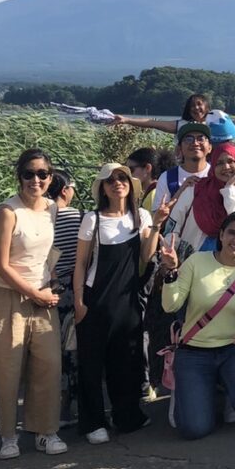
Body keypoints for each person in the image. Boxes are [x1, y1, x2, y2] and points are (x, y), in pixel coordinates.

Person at [156, 211, 235, 439]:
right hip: (194, 352)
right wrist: (170, 272)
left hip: (234, 349)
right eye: (231, 232)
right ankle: (195, 394)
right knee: (194, 429)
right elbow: (171, 306)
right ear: (221, 234)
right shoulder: (197, 261)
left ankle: (227, 388)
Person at [72, 163, 167, 444]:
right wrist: (78, 301)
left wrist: (158, 223)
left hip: (127, 300)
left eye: (122, 178)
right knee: (91, 364)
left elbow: (147, 256)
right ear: (102, 187)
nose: (117, 184)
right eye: (110, 180)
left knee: (125, 362)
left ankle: (126, 416)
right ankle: (93, 423)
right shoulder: (93, 219)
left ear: (130, 184)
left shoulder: (142, 217)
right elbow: (80, 264)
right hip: (95, 300)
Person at [0, 149, 65, 459]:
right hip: (6, 296)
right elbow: (0, 264)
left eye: (42, 174)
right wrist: (34, 293)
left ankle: (46, 432)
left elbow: (48, 251)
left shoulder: (52, 209)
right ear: (19, 176)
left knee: (48, 366)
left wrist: (53, 279)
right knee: (7, 368)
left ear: (50, 177)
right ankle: (8, 436)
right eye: (29, 173)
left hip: (43, 295)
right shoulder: (8, 211)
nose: (36, 179)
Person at [165, 142, 235, 255]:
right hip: (189, 263)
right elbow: (174, 224)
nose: (226, 167)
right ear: (213, 166)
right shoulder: (196, 188)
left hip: (228, 268)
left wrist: (229, 188)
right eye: (219, 163)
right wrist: (172, 252)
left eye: (231, 161)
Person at [47, 171, 82, 425]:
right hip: (71, 290)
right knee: (71, 349)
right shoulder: (76, 216)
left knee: (49, 350)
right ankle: (67, 407)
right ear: (64, 191)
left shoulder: (40, 217)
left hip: (44, 289)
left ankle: (44, 408)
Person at [112, 92, 235, 133]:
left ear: (207, 106)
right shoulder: (182, 125)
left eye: (199, 104)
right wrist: (126, 119)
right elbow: (152, 123)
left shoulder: (218, 122)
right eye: (192, 106)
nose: (196, 108)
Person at [153, 122, 212, 209]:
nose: (195, 143)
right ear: (179, 148)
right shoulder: (167, 178)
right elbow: (158, 217)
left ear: (210, 147)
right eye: (189, 139)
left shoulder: (216, 174)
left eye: (201, 138)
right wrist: (181, 191)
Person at [127, 146, 176, 212]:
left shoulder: (154, 195)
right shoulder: (155, 191)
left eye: (131, 169)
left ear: (147, 168)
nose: (128, 175)